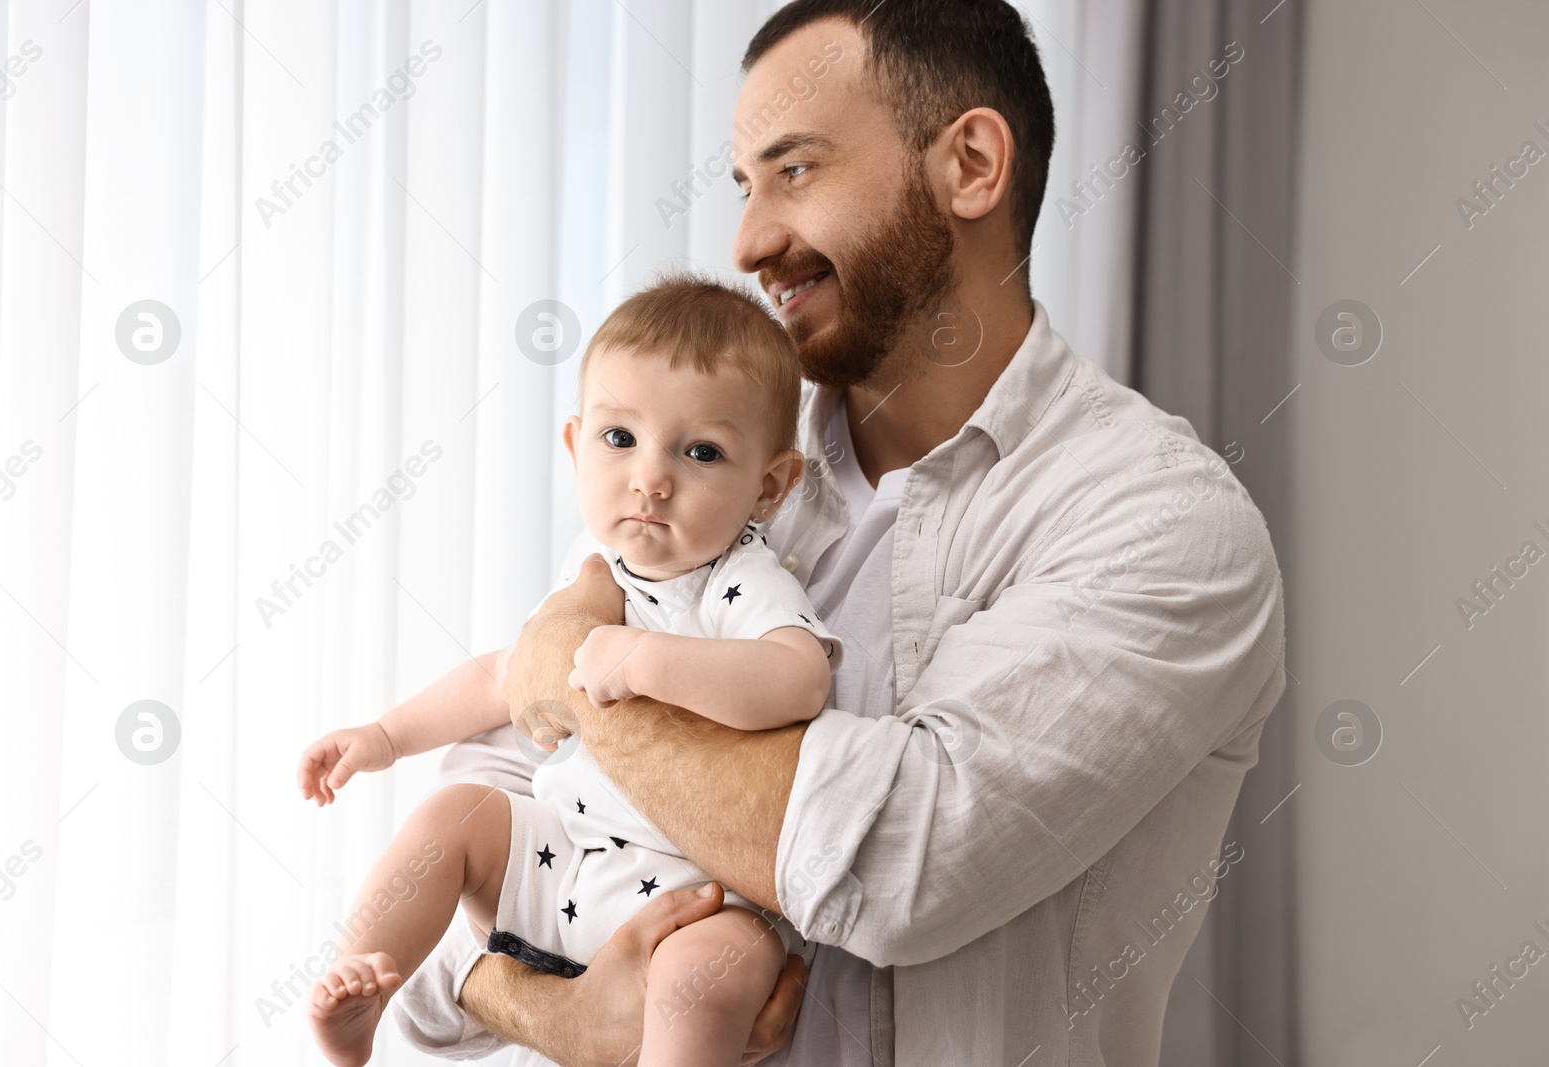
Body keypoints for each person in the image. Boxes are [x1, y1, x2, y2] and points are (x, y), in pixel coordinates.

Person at [392, 1, 1287, 1064]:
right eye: (742, 184)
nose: (747, 239)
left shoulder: (1160, 521)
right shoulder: (711, 479)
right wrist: (552, 1012)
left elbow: (900, 865)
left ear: (970, 163)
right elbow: (447, 891)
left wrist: (575, 669)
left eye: (795, 171)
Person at [297, 275, 846, 1067]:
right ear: (574, 444)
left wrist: (652, 660)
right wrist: (384, 736)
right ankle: (364, 986)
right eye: (620, 439)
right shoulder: (591, 571)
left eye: (701, 452)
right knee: (454, 813)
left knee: (711, 975)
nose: (650, 478)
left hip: (692, 896)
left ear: (769, 485)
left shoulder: (740, 580)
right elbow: (506, 678)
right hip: (562, 859)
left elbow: (799, 679)